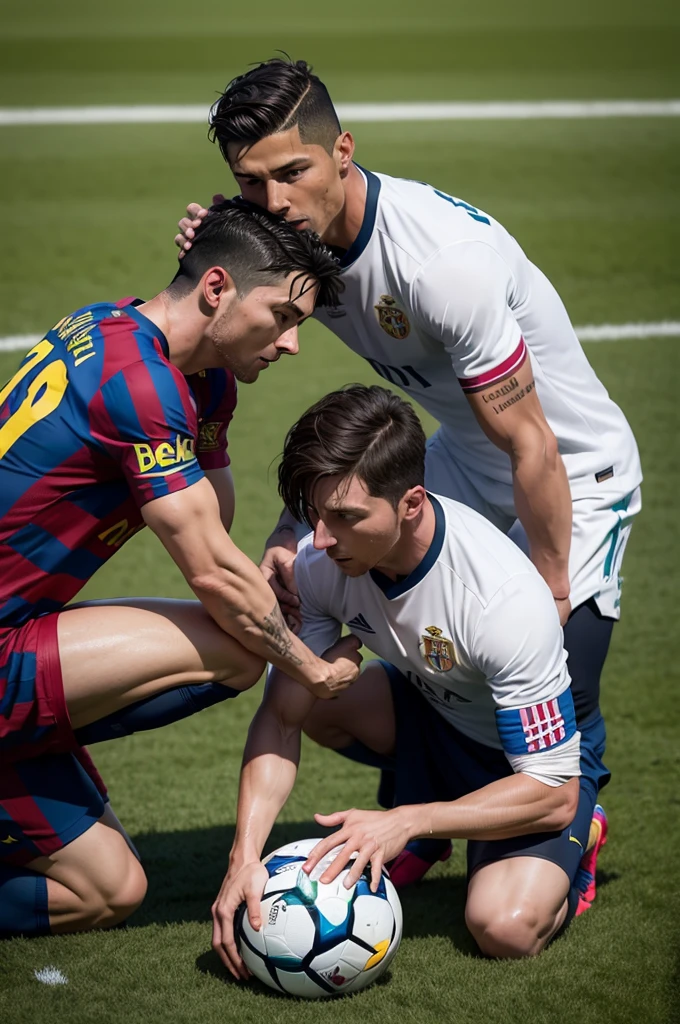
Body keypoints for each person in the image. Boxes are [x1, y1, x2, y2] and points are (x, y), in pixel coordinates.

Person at [176, 57, 641, 877]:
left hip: (568, 469)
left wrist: (552, 589)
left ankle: (569, 817)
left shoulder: (438, 267)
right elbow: (238, 307)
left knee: (554, 676)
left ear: (344, 151)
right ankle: (424, 814)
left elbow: (532, 443)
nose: (275, 203)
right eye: (253, 185)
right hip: (462, 453)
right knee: (379, 651)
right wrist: (222, 250)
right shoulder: (294, 239)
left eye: (293, 173)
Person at [0, 200, 362, 939]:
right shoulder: (140, 384)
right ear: (218, 289)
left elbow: (215, 524)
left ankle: (24, 739)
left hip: (18, 627)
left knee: (108, 890)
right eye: (283, 316)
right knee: (239, 647)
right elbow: (212, 576)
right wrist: (310, 671)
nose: (292, 344)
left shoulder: (175, 362)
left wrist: (256, 568)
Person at [211, 384, 610, 975]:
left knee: (504, 927)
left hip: (527, 771)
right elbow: (280, 717)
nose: (320, 540)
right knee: (307, 695)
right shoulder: (323, 565)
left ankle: (570, 844)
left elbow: (553, 793)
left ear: (412, 503)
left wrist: (410, 817)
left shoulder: (501, 601)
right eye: (315, 516)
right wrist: (243, 856)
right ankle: (429, 823)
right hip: (433, 715)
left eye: (345, 518)